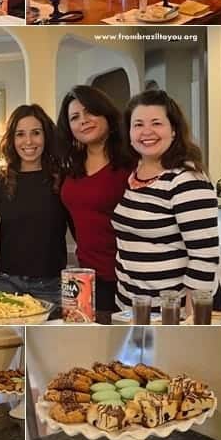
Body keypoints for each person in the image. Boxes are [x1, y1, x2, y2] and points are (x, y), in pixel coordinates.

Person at [112, 90, 219, 312]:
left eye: (156, 123)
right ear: (129, 133)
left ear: (174, 130)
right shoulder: (134, 173)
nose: (146, 131)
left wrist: (192, 321)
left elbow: (204, 257)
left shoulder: (187, 179)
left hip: (171, 313)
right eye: (138, 124)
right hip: (129, 307)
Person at [57, 86, 133, 312]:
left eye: (90, 112)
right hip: (85, 276)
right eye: (75, 117)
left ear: (106, 114)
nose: (83, 121)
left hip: (123, 277)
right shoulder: (70, 169)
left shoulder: (130, 164)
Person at [0, 105, 67, 305]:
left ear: (46, 136)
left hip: (50, 285)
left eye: (36, 133)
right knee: (8, 337)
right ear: (12, 139)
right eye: (20, 134)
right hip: (5, 283)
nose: (28, 141)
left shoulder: (62, 179)